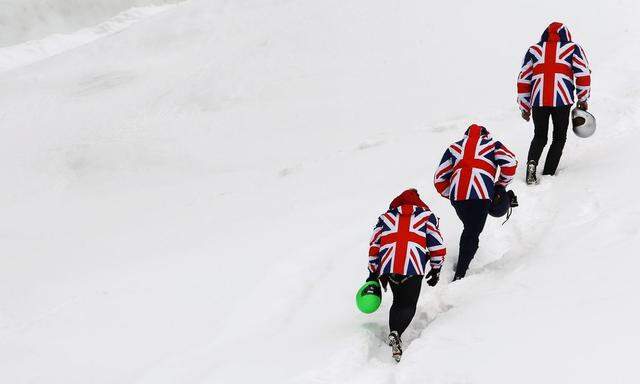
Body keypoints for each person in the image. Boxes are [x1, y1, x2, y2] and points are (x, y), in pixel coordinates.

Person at [366, 188, 446, 362]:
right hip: (412, 266)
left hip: (390, 267)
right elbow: (437, 246)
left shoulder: (385, 218)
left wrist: (373, 271)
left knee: (398, 301)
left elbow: (374, 246)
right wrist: (436, 268)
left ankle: (394, 331)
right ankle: (397, 333)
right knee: (408, 304)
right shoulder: (426, 217)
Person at [433, 124, 517, 281]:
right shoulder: (493, 145)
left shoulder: (454, 148)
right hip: (481, 194)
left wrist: (451, 193)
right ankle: (460, 272)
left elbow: (439, 178)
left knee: (470, 228)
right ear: (486, 135)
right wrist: (500, 185)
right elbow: (510, 162)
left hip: (458, 196)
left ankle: (465, 258)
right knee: (472, 231)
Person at [517, 22, 592, 184]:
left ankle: (532, 164)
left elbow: (523, 78)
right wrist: (583, 98)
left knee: (539, 136)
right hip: (562, 100)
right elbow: (583, 73)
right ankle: (548, 174)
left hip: (538, 100)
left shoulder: (534, 50)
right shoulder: (573, 48)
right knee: (559, 137)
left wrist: (524, 107)